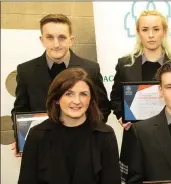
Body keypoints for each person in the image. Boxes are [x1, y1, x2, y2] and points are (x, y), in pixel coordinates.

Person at [10, 68, 123, 184]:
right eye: (69, 94)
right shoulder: (37, 135)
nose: (77, 101)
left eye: (83, 94)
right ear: (56, 98)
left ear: (91, 98)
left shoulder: (104, 135)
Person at [11, 14, 110, 157]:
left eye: (62, 37)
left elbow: (102, 107)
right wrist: (21, 137)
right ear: (42, 39)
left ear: (71, 40)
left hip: (82, 147)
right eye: (50, 37)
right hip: (43, 148)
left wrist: (90, 134)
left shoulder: (91, 69)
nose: (56, 44)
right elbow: (20, 109)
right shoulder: (26, 71)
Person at [110, 10, 171, 181]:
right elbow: (116, 98)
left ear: (164, 31)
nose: (151, 35)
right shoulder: (125, 64)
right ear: (138, 32)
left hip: (169, 137)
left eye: (156, 29)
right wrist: (122, 115)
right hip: (136, 137)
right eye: (145, 29)